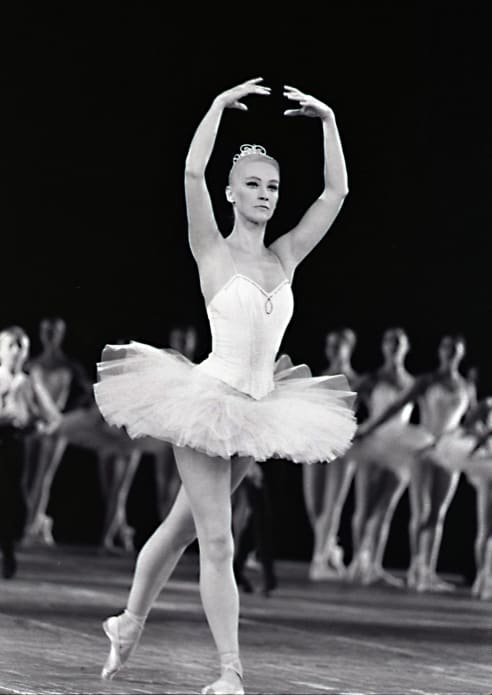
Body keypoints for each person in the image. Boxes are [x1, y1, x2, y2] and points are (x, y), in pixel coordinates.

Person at [94, 77, 356, 694]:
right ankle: (229, 674)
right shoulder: (210, 248)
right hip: (206, 405)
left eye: (272, 187)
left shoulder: (284, 257)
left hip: (259, 409)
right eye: (254, 186)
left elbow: (337, 191)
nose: (265, 195)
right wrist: (213, 108)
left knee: (180, 530)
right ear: (232, 193)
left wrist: (329, 120)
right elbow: (190, 174)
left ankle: (128, 623)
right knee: (218, 539)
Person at [356, 334, 474, 592]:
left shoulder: (466, 386)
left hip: (450, 448)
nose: (450, 353)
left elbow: (469, 422)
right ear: (440, 352)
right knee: (422, 509)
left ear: (461, 353)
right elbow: (395, 407)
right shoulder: (426, 381)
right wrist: (368, 429)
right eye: (446, 348)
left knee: (438, 513)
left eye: (455, 349)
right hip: (423, 445)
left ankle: (428, 570)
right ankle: (416, 569)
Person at [348, 328, 432, 587]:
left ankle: (374, 563)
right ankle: (357, 561)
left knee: (385, 508)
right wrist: (355, 428)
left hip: (402, 443)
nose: (394, 346)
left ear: (406, 347)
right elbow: (350, 400)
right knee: (365, 504)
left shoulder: (412, 382)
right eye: (389, 341)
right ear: (383, 346)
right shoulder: (373, 378)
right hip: (374, 442)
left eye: (399, 342)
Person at [23, 317, 93, 545]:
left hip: (56, 426)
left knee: (43, 478)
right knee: (26, 479)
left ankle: (31, 527)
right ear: (41, 333)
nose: (50, 335)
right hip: (34, 425)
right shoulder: (32, 364)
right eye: (46, 331)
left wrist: (66, 415)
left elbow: (88, 393)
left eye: (54, 331)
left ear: (61, 333)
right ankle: (40, 520)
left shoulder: (69, 365)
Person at [0, 326, 61, 577]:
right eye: (10, 345)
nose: (15, 351)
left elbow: (53, 417)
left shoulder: (28, 382)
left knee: (11, 495)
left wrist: (37, 428)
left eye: (20, 346)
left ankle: (8, 550)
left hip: (15, 441)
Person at [303, 328, 360, 580]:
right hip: (315, 443)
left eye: (338, 346)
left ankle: (320, 561)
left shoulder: (358, 380)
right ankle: (331, 548)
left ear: (348, 348)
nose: (333, 351)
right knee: (314, 505)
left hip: (342, 446)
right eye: (330, 346)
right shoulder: (318, 377)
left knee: (332, 505)